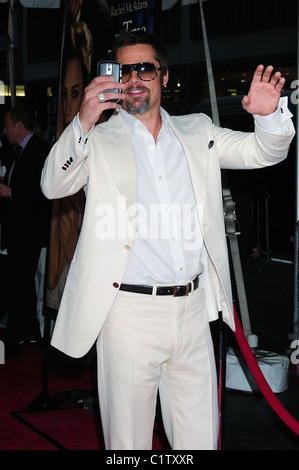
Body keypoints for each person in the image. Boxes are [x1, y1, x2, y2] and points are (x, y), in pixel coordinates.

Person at [41, 30, 295, 450]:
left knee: (199, 442)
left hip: (195, 314)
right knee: (128, 445)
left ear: (164, 76)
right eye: (125, 71)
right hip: (128, 316)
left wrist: (267, 118)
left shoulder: (199, 131)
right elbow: (53, 184)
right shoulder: (97, 140)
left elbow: (263, 153)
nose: (135, 79)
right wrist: (83, 119)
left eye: (145, 68)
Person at [0, 106, 52, 356]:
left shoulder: (40, 150)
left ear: (19, 126)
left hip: (31, 233)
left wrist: (10, 192)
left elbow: (43, 193)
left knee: (22, 285)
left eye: (8, 125)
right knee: (22, 285)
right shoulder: (16, 152)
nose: (5, 130)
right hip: (19, 231)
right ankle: (27, 335)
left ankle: (16, 339)